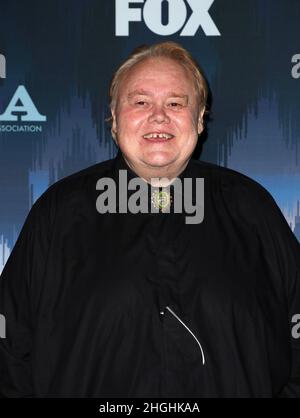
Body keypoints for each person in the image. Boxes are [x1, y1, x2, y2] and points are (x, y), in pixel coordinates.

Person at [0, 41, 300, 398]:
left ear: (200, 119)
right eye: (140, 102)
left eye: (176, 103)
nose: (159, 116)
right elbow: (10, 358)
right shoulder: (59, 213)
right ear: (113, 119)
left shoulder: (252, 210)